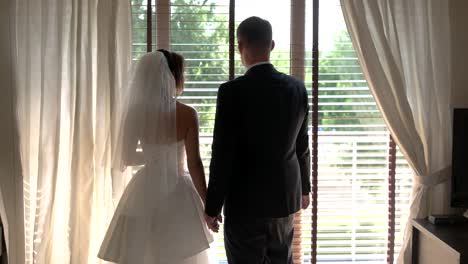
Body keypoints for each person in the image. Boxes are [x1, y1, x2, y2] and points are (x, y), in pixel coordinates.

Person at [204, 16, 311, 264]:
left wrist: (212, 206)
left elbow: (222, 153)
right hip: (284, 197)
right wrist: (305, 188)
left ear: (240, 46)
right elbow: (302, 145)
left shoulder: (231, 92)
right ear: (271, 45)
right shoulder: (297, 88)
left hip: (245, 203)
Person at [98, 50, 215, 264]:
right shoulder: (188, 114)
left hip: (144, 190)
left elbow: (125, 157)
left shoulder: (135, 113)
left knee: (145, 252)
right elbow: (195, 163)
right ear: (173, 76)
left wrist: (153, 157)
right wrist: (209, 204)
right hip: (179, 189)